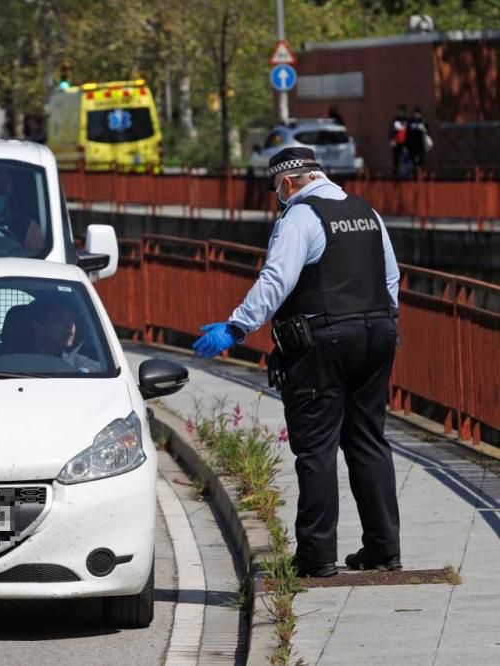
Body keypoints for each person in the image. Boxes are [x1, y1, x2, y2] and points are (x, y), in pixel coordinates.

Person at [192, 146, 402, 578]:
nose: (277, 197)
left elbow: (276, 280)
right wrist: (378, 321)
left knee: (317, 447)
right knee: (368, 440)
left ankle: (316, 557)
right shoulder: (367, 212)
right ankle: (384, 549)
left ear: (287, 182)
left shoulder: (300, 218)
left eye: (276, 189)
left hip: (322, 343)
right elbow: (391, 278)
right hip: (378, 335)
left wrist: (236, 327)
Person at [27, 298, 100, 372]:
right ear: (38, 327)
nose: (69, 325)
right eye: (58, 319)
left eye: (71, 318)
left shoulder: (78, 363)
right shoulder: (18, 362)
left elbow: (96, 368)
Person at [389, 105, 408, 176]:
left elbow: (408, 132)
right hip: (397, 142)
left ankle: (405, 173)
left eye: (402, 111)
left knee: (405, 159)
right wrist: (392, 140)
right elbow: (391, 131)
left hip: (404, 143)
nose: (401, 113)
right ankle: (395, 174)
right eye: (400, 111)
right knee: (396, 159)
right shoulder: (395, 120)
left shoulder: (407, 120)